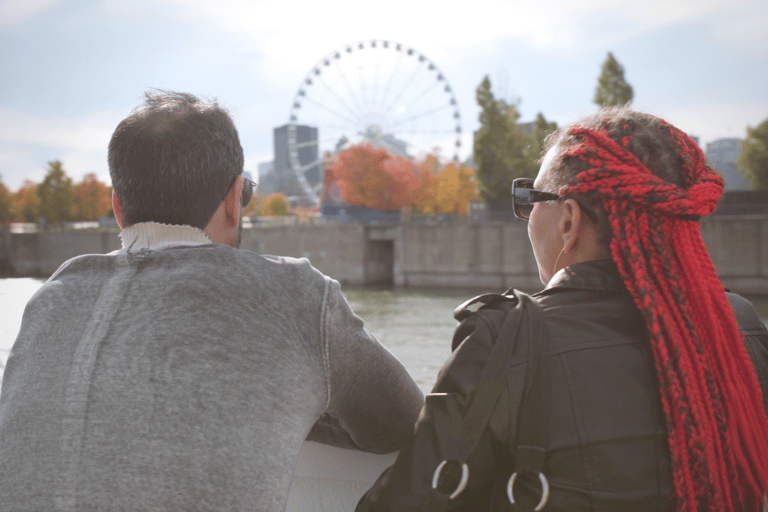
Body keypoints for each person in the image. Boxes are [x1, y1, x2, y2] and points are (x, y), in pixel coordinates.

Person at [0, 90, 424, 511]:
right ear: (233, 200)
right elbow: (404, 422)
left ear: (117, 207)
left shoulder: (52, 298)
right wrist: (294, 405)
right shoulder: (298, 296)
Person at [356, 107, 768, 511]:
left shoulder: (508, 340)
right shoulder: (740, 325)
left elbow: (420, 499)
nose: (527, 215)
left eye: (531, 199)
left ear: (569, 221)